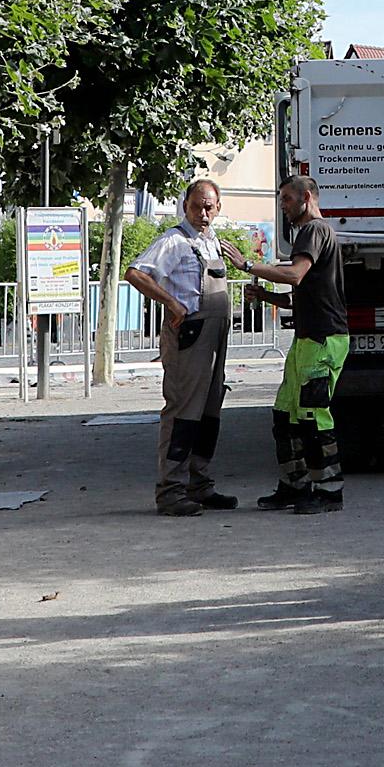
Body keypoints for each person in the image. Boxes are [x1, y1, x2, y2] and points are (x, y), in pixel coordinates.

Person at [236, 173, 348, 513]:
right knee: (285, 414)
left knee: (313, 415)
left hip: (322, 339)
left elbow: (296, 274)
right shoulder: (310, 233)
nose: (282, 206)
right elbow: (302, 293)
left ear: (307, 198)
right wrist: (268, 295)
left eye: (287, 199)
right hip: (306, 338)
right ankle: (294, 485)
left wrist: (247, 264)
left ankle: (329, 491)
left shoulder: (314, 231)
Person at [126, 178, 238, 517]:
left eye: (209, 206)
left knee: (209, 412)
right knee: (183, 412)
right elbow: (136, 273)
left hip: (216, 337)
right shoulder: (174, 241)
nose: (203, 213)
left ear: (218, 209)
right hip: (190, 336)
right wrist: (172, 304)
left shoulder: (212, 242)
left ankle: (199, 484)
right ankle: (171, 490)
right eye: (196, 206)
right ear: (185, 206)